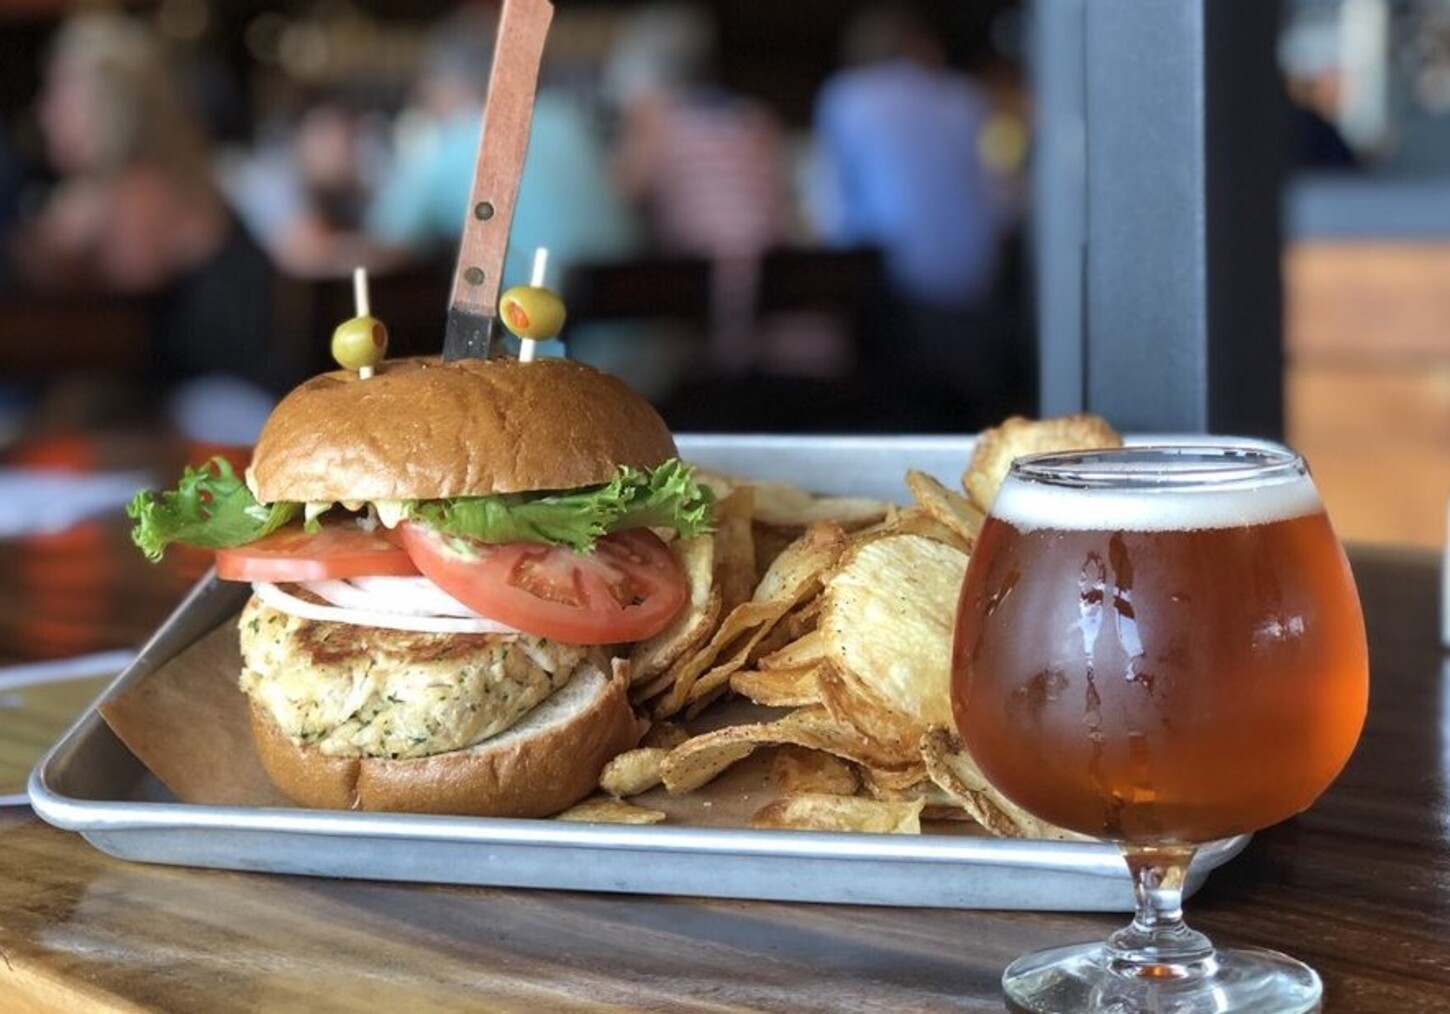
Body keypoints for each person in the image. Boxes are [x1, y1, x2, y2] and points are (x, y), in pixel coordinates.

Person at [8, 12, 292, 431]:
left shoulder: (146, 185)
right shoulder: (150, 173)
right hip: (183, 389)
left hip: (230, 397)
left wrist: (48, 245)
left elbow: (90, 277)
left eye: (57, 93)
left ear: (106, 101)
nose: (43, 112)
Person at [811, 1, 1022, 429]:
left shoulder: (847, 97)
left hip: (898, 313)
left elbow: (830, 217)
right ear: (920, 46)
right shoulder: (967, 99)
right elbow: (1004, 206)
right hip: (980, 313)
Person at [606, 2, 794, 376]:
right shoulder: (755, 118)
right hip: (777, 286)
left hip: (697, 300)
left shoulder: (650, 119)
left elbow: (620, 201)